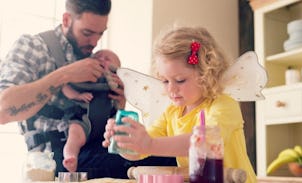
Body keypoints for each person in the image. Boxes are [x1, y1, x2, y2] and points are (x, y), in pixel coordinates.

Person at [0, 0, 176, 179]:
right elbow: (3, 110)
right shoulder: (33, 47)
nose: (94, 42)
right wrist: (64, 75)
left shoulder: (98, 60)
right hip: (55, 157)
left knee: (169, 154)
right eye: (87, 33)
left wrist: (119, 103)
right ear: (67, 20)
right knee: (163, 160)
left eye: (100, 34)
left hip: (99, 146)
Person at [102, 26, 257, 183]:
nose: (171, 89)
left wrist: (149, 144)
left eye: (180, 80)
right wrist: (126, 143)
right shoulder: (172, 113)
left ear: (206, 74)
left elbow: (204, 143)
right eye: (165, 81)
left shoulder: (223, 105)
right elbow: (140, 152)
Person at [62, 49, 121, 172]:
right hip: (82, 120)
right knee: (74, 137)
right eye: (97, 56)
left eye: (107, 59)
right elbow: (64, 86)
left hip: (105, 127)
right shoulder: (84, 76)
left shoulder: (114, 83)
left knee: (119, 133)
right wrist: (77, 96)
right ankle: (70, 157)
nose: (101, 59)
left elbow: (119, 108)